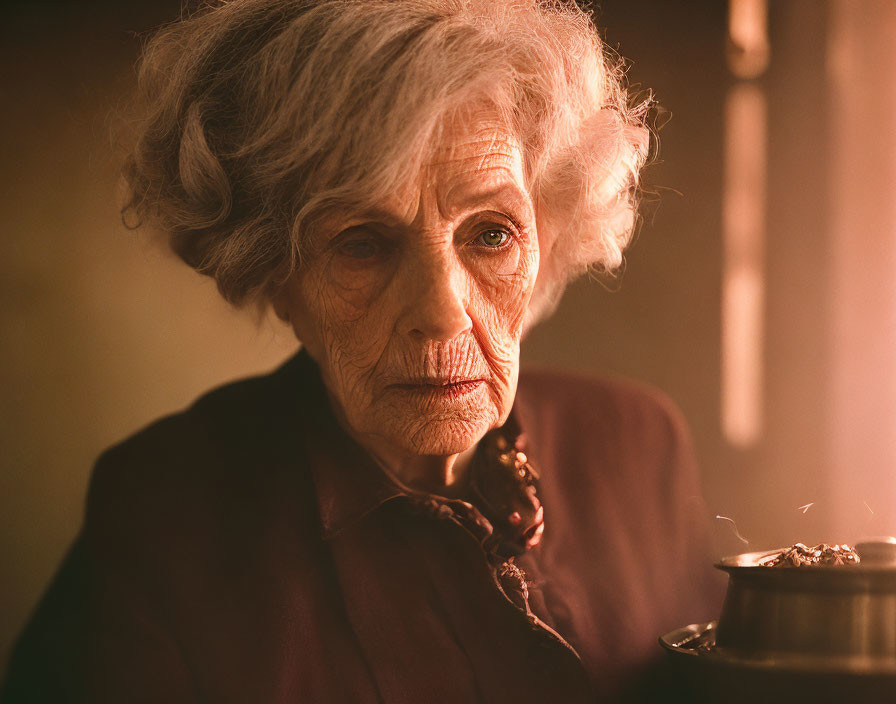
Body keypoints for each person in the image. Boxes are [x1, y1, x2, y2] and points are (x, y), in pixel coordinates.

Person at [2, 1, 721, 702]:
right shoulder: (164, 521)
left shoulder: (637, 449)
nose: (442, 317)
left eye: (491, 233)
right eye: (364, 244)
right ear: (275, 273)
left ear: (551, 237)